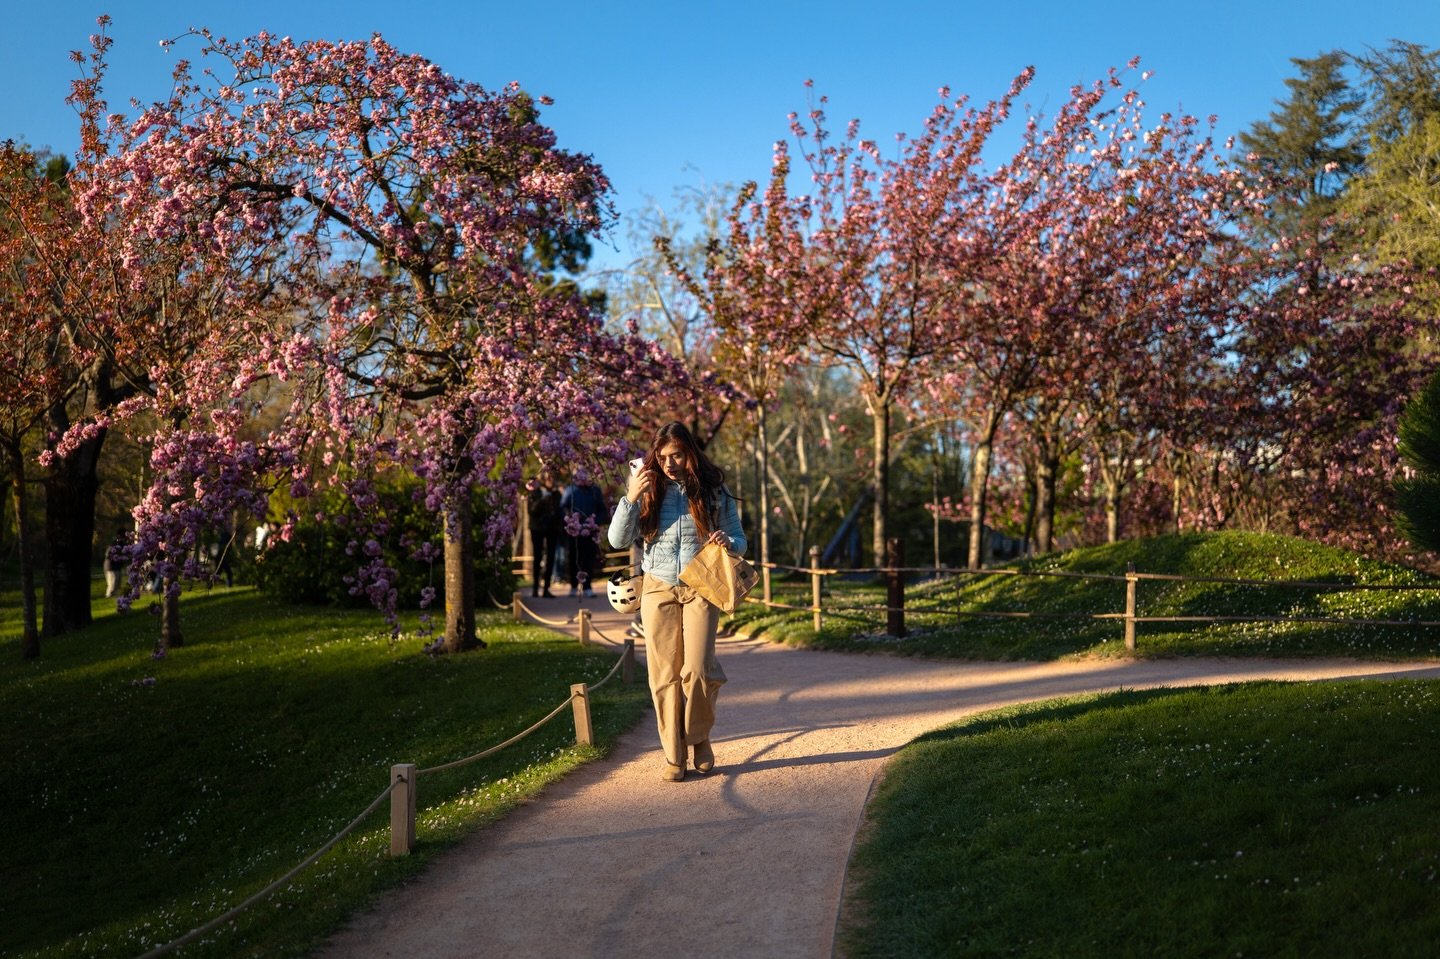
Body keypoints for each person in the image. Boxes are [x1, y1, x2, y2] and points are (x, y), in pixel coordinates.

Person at [608, 421, 747, 782]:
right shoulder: (649, 490)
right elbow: (617, 540)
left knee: (698, 669)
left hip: (702, 584)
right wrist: (631, 496)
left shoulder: (713, 488)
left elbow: (740, 538)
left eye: (677, 456)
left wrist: (728, 542)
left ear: (690, 454)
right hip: (658, 587)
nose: (669, 463)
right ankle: (674, 753)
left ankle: (698, 737)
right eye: (663, 456)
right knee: (665, 675)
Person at [561, 471, 610, 597]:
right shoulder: (570, 490)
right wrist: (570, 520)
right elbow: (562, 508)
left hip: (591, 530)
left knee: (589, 559)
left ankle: (587, 586)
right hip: (574, 531)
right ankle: (573, 586)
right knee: (574, 558)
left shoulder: (595, 491)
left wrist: (594, 522)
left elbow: (602, 511)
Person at [526, 470, 563, 599]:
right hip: (537, 528)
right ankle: (535, 588)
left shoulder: (556, 494)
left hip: (552, 529)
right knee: (537, 557)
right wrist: (542, 500)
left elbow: (560, 510)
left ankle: (546, 589)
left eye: (552, 478)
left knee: (551, 557)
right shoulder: (535, 492)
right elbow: (531, 511)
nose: (551, 480)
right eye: (548, 478)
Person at [103, 530, 130, 598]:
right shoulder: (115, 543)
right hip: (111, 566)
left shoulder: (121, 543)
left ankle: (113, 595)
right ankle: (109, 595)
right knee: (112, 584)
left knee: (117, 584)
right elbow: (108, 554)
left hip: (116, 567)